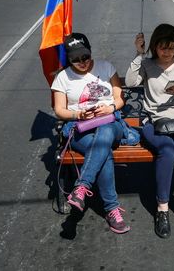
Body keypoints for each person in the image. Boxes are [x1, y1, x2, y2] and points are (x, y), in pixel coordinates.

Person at [124, 24, 174, 246]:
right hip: (155, 122)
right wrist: (139, 54)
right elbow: (130, 82)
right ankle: (162, 210)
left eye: (171, 47)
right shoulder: (147, 64)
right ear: (154, 46)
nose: (167, 52)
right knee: (167, 151)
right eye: (162, 48)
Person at [51, 33, 130, 234]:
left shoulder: (106, 67)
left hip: (111, 123)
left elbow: (120, 98)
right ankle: (112, 209)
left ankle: (81, 187)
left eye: (85, 57)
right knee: (103, 152)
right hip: (80, 127)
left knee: (104, 132)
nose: (82, 62)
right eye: (75, 59)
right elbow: (59, 110)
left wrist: (111, 108)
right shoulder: (62, 77)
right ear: (68, 59)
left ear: (90, 52)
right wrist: (79, 113)